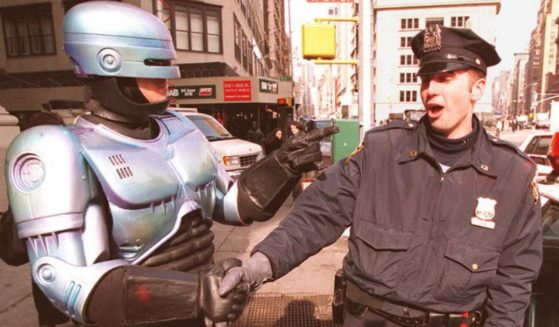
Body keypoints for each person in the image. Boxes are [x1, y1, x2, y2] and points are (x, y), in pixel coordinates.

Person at [3, 2, 328, 326]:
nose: (168, 77)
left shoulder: (181, 128)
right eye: (153, 66)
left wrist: (283, 166)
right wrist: (195, 294)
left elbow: (231, 204)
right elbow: (60, 276)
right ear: (108, 64)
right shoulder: (60, 149)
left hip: (201, 313)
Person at [219, 25, 542, 326]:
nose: (430, 90)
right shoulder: (381, 150)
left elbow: (513, 283)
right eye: (426, 79)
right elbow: (316, 216)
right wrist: (254, 268)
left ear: (477, 89)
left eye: (445, 79)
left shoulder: (512, 176)